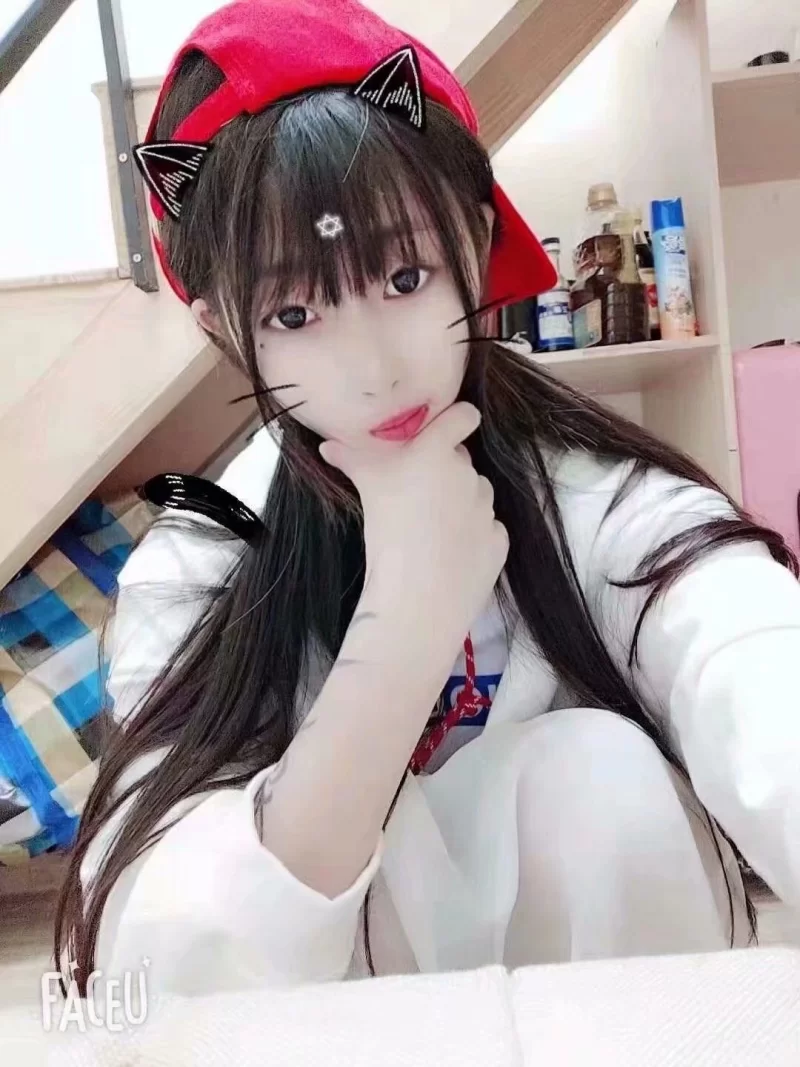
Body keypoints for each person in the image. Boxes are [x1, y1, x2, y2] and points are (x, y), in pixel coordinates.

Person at [56, 0, 800, 998]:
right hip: (347, 1033)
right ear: (223, 329)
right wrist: (398, 632)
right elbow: (154, 955)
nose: (375, 367)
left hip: (598, 1016)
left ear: (473, 242)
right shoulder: (205, 561)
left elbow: (749, 654)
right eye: (294, 311)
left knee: (598, 777)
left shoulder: (594, 496)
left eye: (404, 276)